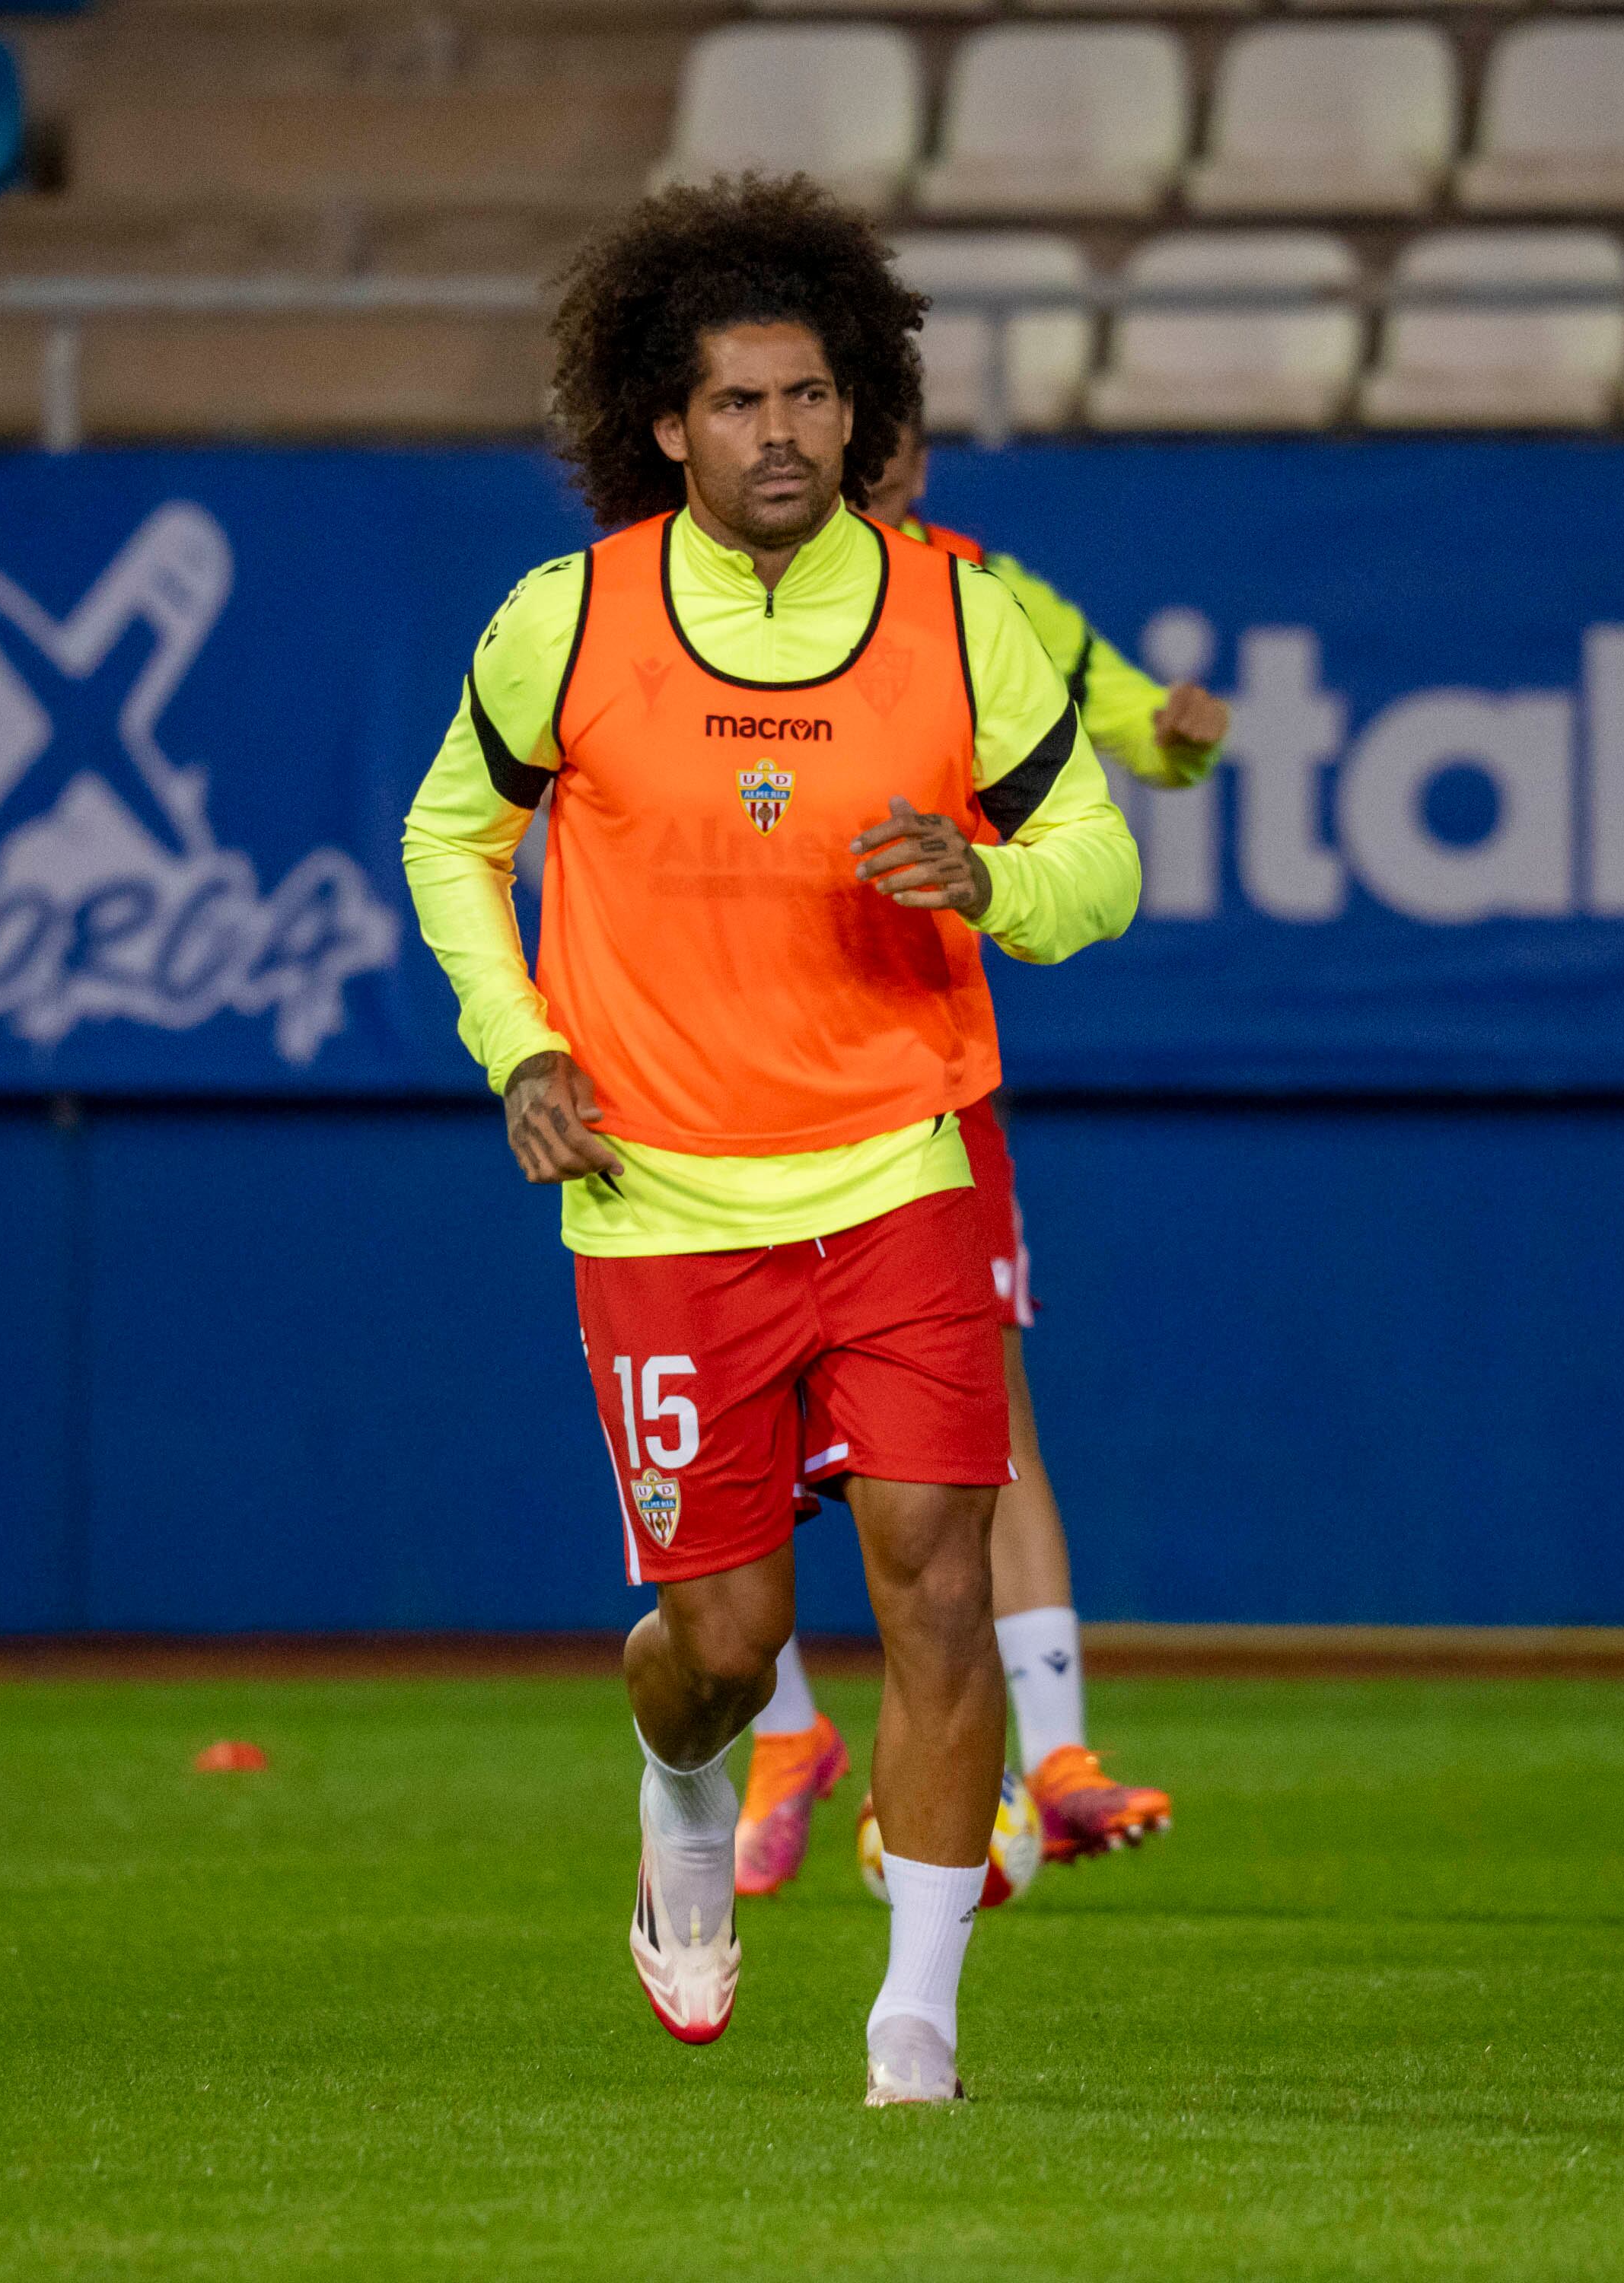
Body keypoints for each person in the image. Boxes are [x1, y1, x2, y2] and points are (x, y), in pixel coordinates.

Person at [397, 178, 1139, 2105]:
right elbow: (448, 842)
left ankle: (917, 2027)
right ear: (666, 424)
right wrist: (518, 1049)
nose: (783, 433)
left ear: (860, 404)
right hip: (658, 1201)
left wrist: (984, 877)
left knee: (937, 1579)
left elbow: (1103, 859)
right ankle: (683, 1791)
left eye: (812, 397)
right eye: (740, 404)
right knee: (719, 1642)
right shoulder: (567, 621)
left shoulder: (956, 618)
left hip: (901, 1168)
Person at [733, 422, 1230, 1899]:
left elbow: (1118, 719)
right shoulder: (680, 599)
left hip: (912, 1076)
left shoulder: (972, 593)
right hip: (716, 1079)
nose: (830, 453)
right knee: (730, 1420)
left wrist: (1174, 744)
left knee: (979, 1414)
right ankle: (782, 1734)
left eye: (862, 428)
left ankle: (1059, 1757)